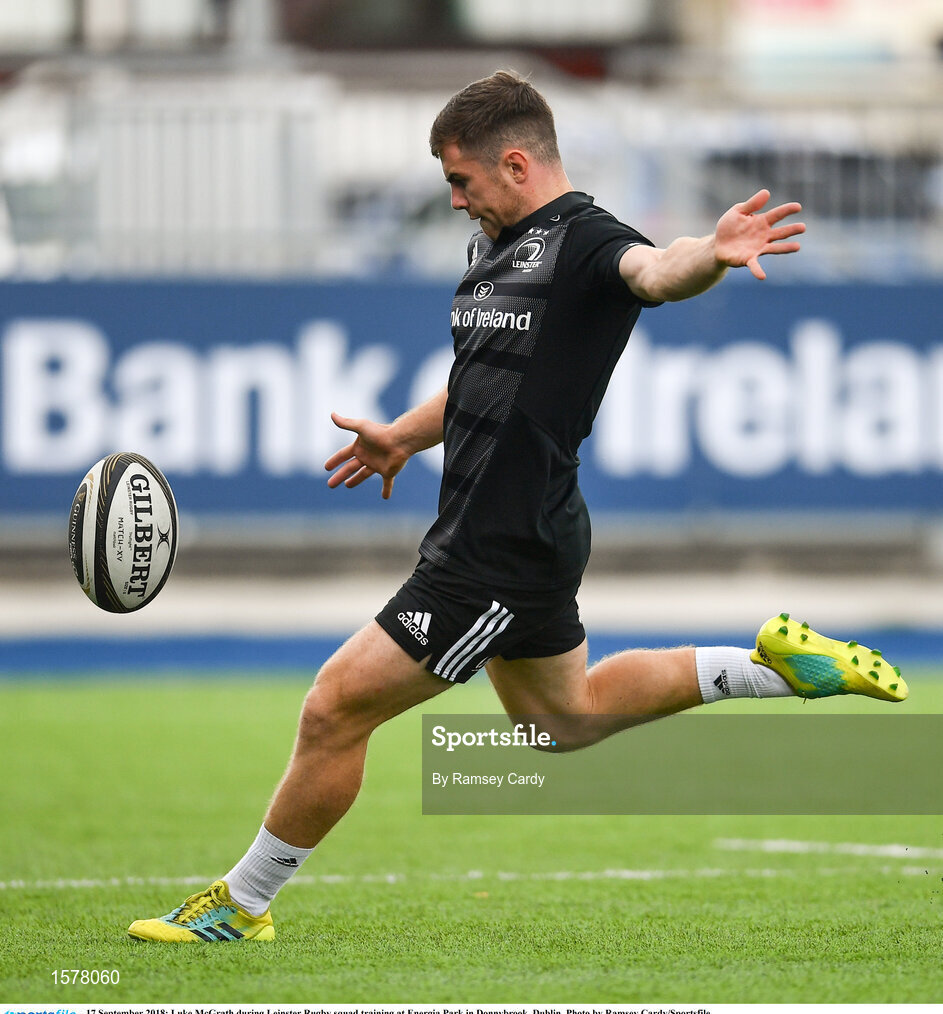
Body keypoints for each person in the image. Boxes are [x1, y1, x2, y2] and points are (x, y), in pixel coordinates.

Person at [128, 70, 906, 943]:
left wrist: (709, 254)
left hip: (498, 545)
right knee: (560, 722)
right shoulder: (493, 251)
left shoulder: (584, 239)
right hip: (515, 532)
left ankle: (242, 904)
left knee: (333, 708)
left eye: (461, 181)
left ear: (513, 163)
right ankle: (767, 665)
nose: (455, 200)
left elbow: (653, 271)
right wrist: (403, 437)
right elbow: (479, 380)